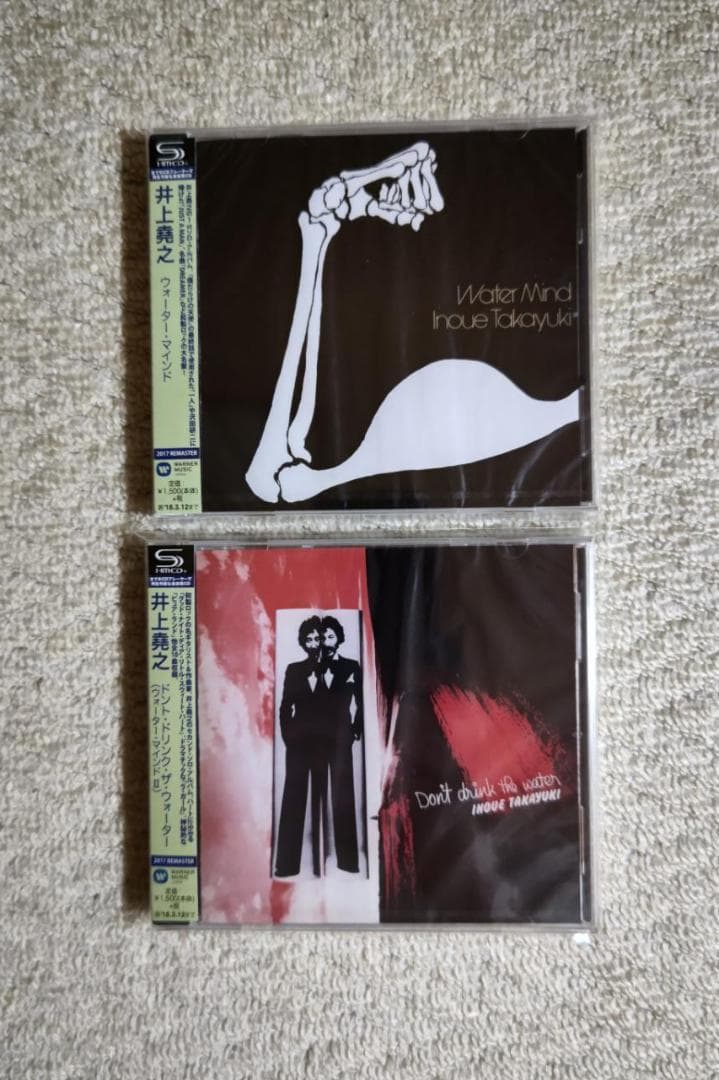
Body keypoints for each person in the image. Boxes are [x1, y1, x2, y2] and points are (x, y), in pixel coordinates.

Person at [274, 614, 362, 877]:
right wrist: (289, 736)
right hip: (301, 743)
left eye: (324, 637)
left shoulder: (351, 666)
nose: (318, 643)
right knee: (293, 797)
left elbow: (360, 703)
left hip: (338, 741)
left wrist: (354, 731)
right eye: (312, 639)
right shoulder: (294, 669)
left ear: (338, 640)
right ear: (304, 643)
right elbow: (285, 708)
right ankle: (286, 865)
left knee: (343, 797)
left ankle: (349, 863)